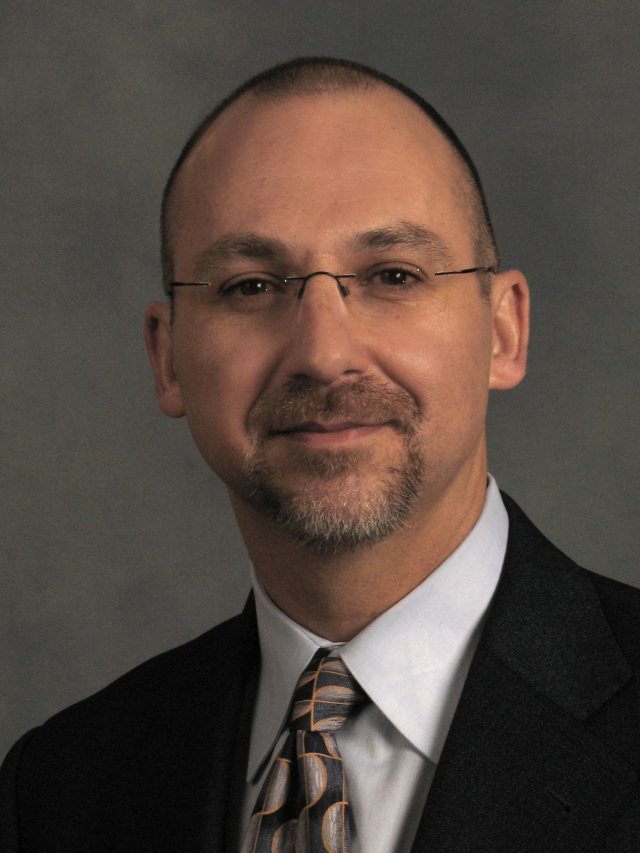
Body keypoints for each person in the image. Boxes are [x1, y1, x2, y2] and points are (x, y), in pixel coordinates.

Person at [1, 56, 638, 853]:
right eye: (251, 286)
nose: (324, 353)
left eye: (393, 275)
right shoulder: (55, 790)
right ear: (168, 359)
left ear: (503, 331)